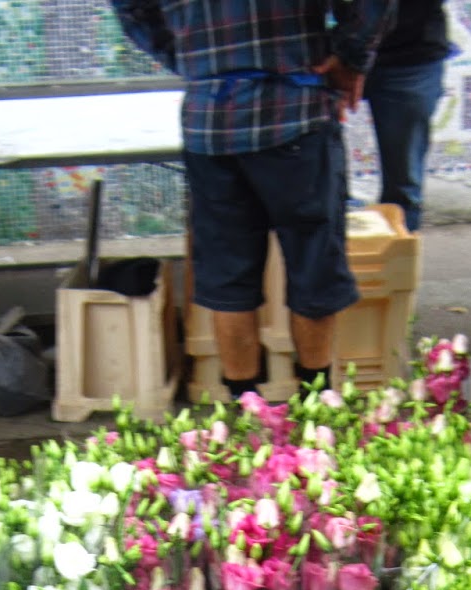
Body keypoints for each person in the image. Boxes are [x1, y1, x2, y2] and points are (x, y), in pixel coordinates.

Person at [114, 0, 397, 398]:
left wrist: (194, 63)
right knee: (312, 263)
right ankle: (314, 410)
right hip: (294, 115)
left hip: (210, 125)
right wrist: (349, 57)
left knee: (228, 276)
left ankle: (244, 413)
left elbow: (132, 9)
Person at [364, 0, 451, 233]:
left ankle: (398, 263)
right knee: (316, 181)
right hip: (324, 55)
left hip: (410, 55)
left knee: (403, 186)